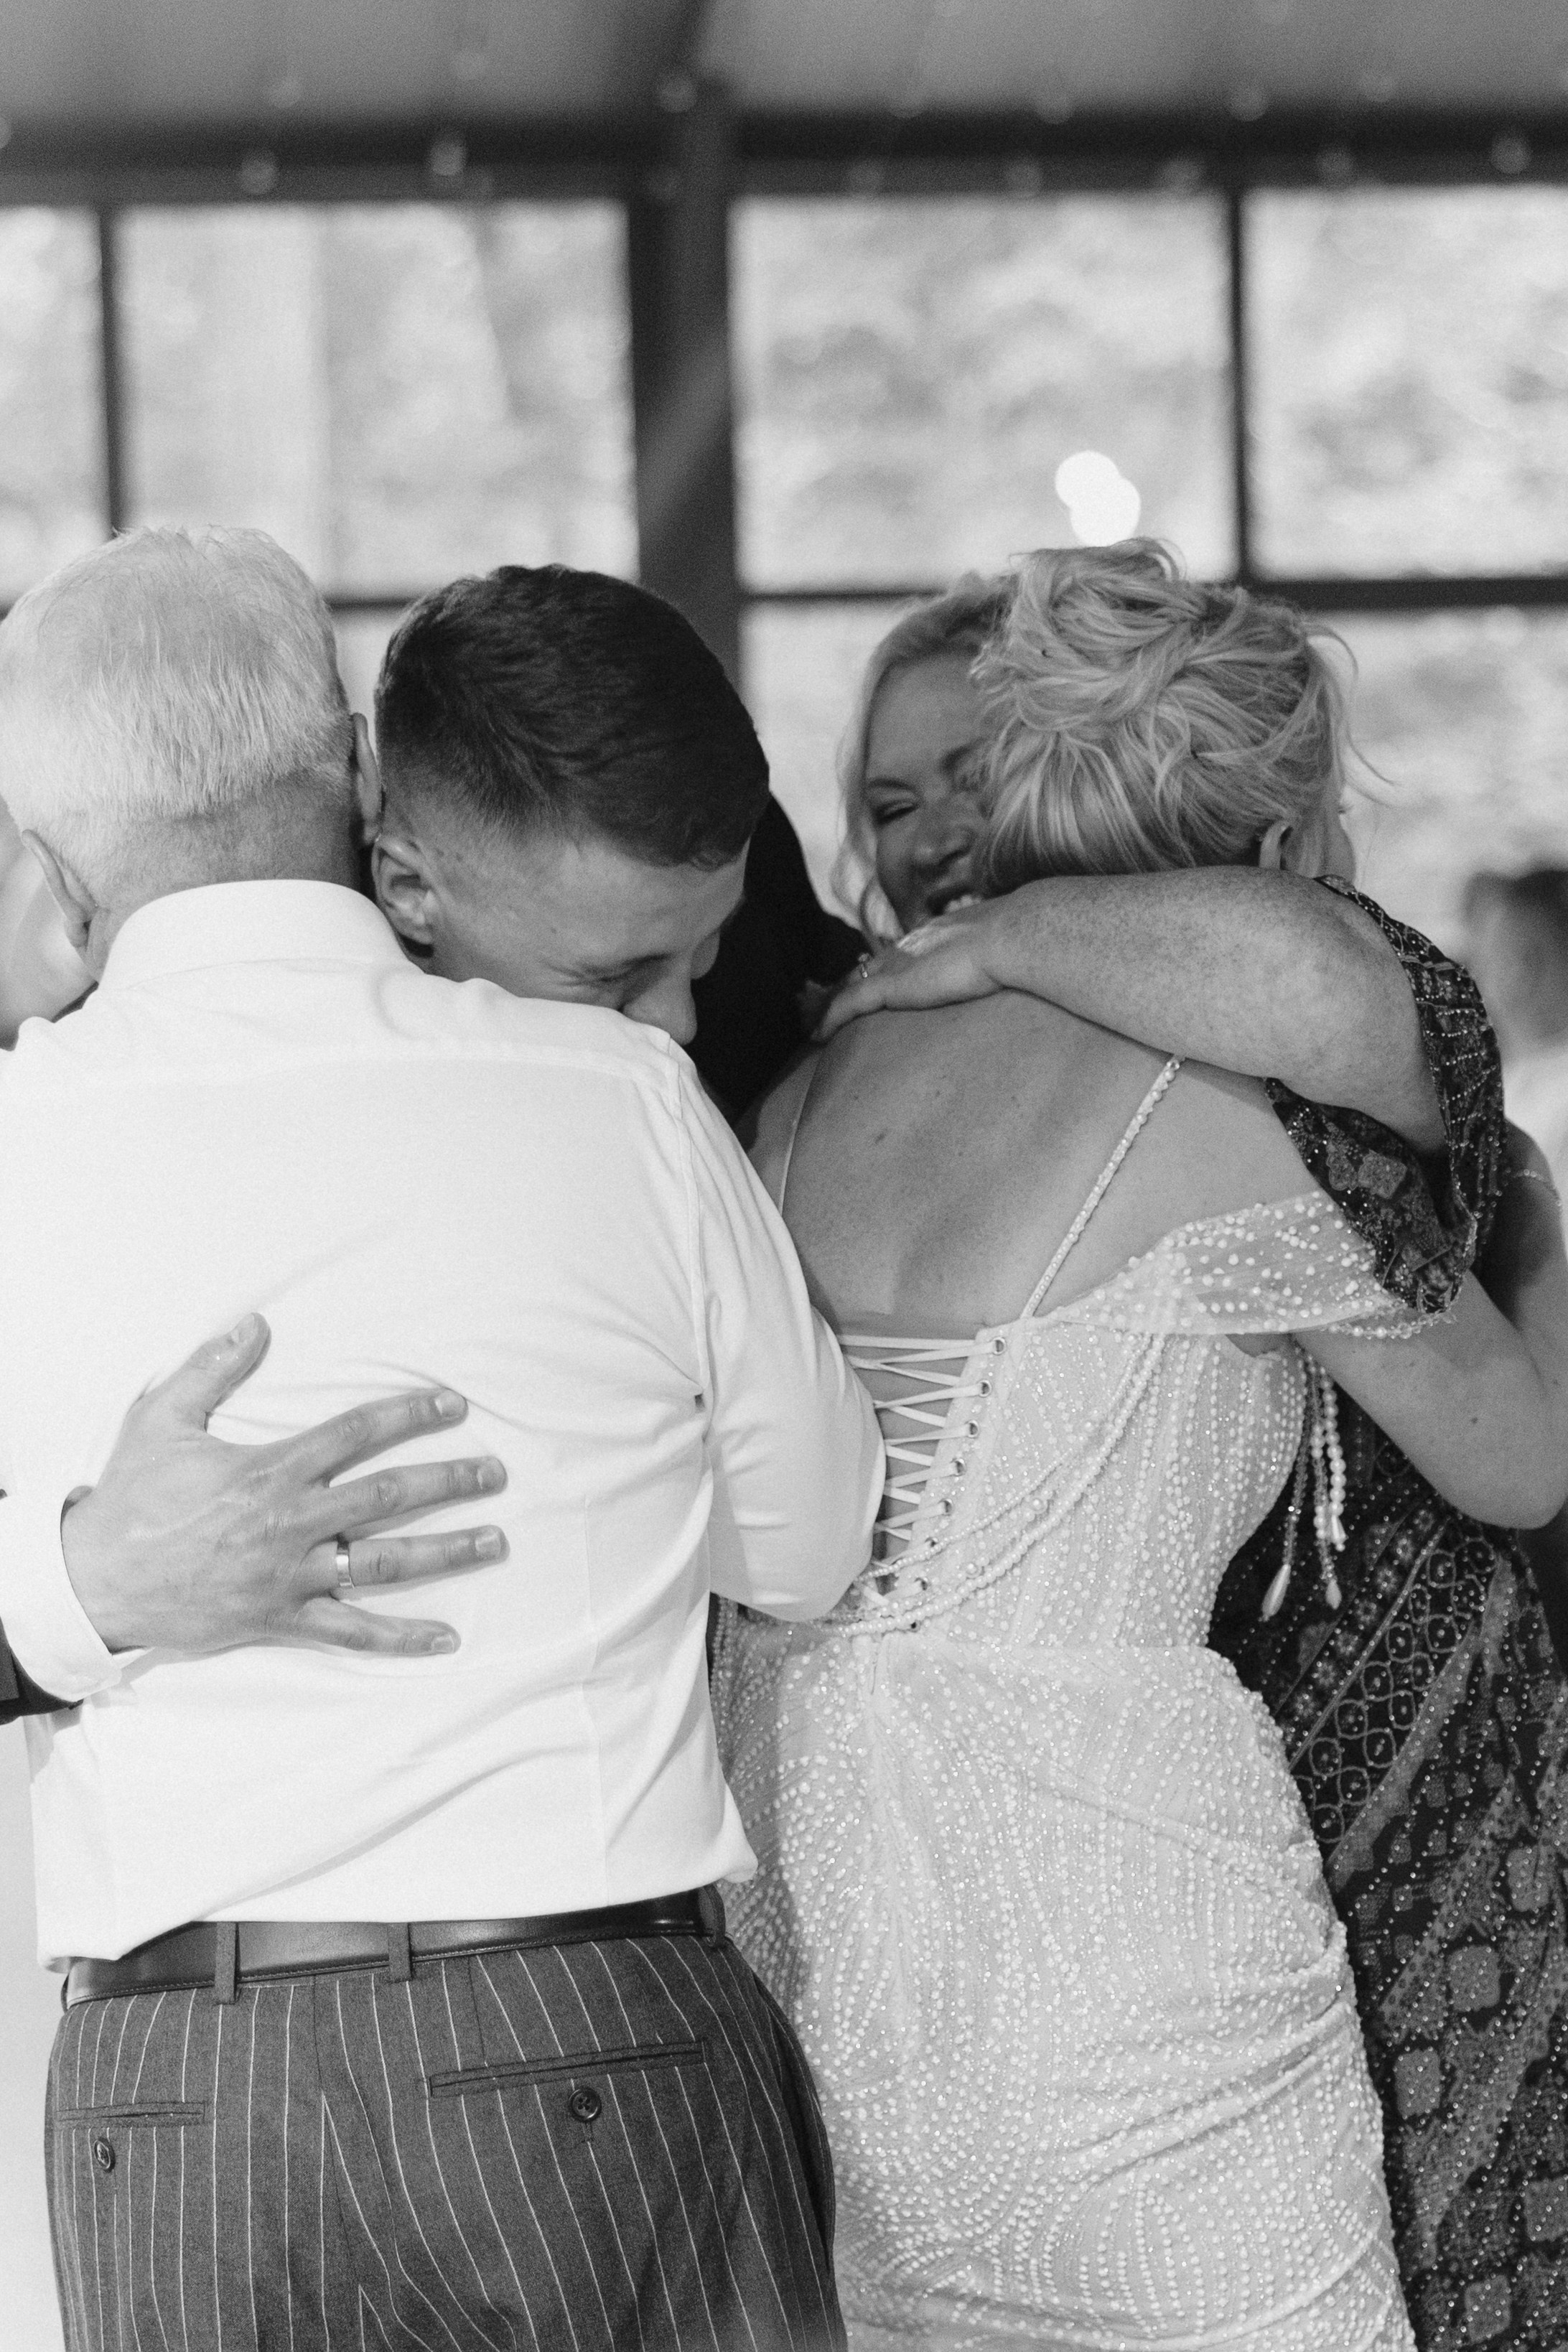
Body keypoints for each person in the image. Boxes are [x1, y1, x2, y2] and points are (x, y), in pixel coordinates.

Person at [0, 528, 882, 2352]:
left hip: (180, 2091)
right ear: (347, 758)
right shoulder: (623, 1096)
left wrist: (83, 1585)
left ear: (44, 839)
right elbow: (808, 1552)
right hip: (588, 2029)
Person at [711, 543, 1568, 2349]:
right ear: (1277, 856)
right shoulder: (1234, 1115)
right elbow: (1520, 1460)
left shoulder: (808, 1085)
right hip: (1122, 1933)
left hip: (812, 1922)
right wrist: (1542, 1227)